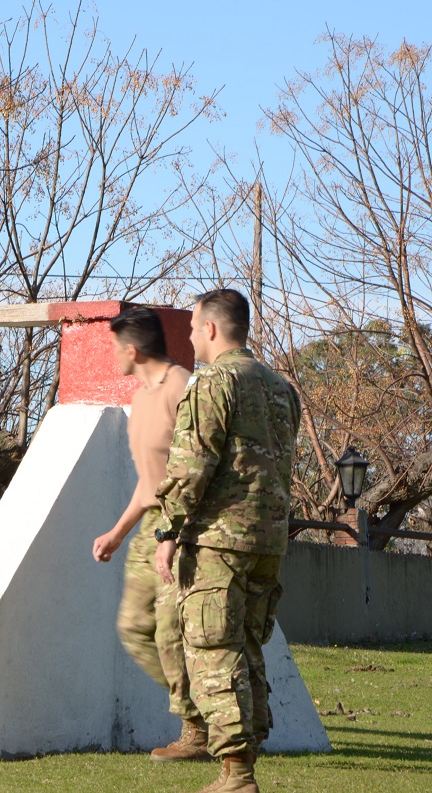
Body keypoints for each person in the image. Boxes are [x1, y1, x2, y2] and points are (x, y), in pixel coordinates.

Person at [154, 289, 301, 793]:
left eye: (194, 328)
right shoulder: (281, 388)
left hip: (219, 541)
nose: (192, 337)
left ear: (212, 329)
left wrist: (168, 530)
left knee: (214, 651)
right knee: (248, 650)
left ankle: (236, 776)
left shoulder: (213, 382)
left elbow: (191, 465)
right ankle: (243, 765)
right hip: (268, 542)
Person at [91, 307, 205, 761]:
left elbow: (194, 472)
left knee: (170, 633)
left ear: (132, 349)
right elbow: (149, 482)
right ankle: (207, 710)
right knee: (134, 627)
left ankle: (198, 728)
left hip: (182, 528)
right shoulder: (140, 400)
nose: (113, 355)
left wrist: (173, 534)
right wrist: (117, 533)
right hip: (150, 528)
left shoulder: (184, 389)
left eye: (115, 347)